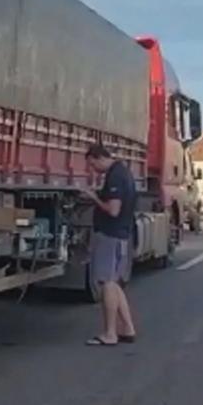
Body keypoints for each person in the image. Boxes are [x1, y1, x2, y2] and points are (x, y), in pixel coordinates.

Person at [83, 145, 137, 346]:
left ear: (99, 158)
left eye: (92, 164)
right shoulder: (124, 172)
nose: (92, 169)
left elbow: (113, 210)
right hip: (120, 234)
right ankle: (128, 329)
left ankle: (110, 333)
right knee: (113, 283)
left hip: (110, 235)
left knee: (107, 282)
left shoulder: (115, 176)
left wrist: (94, 197)